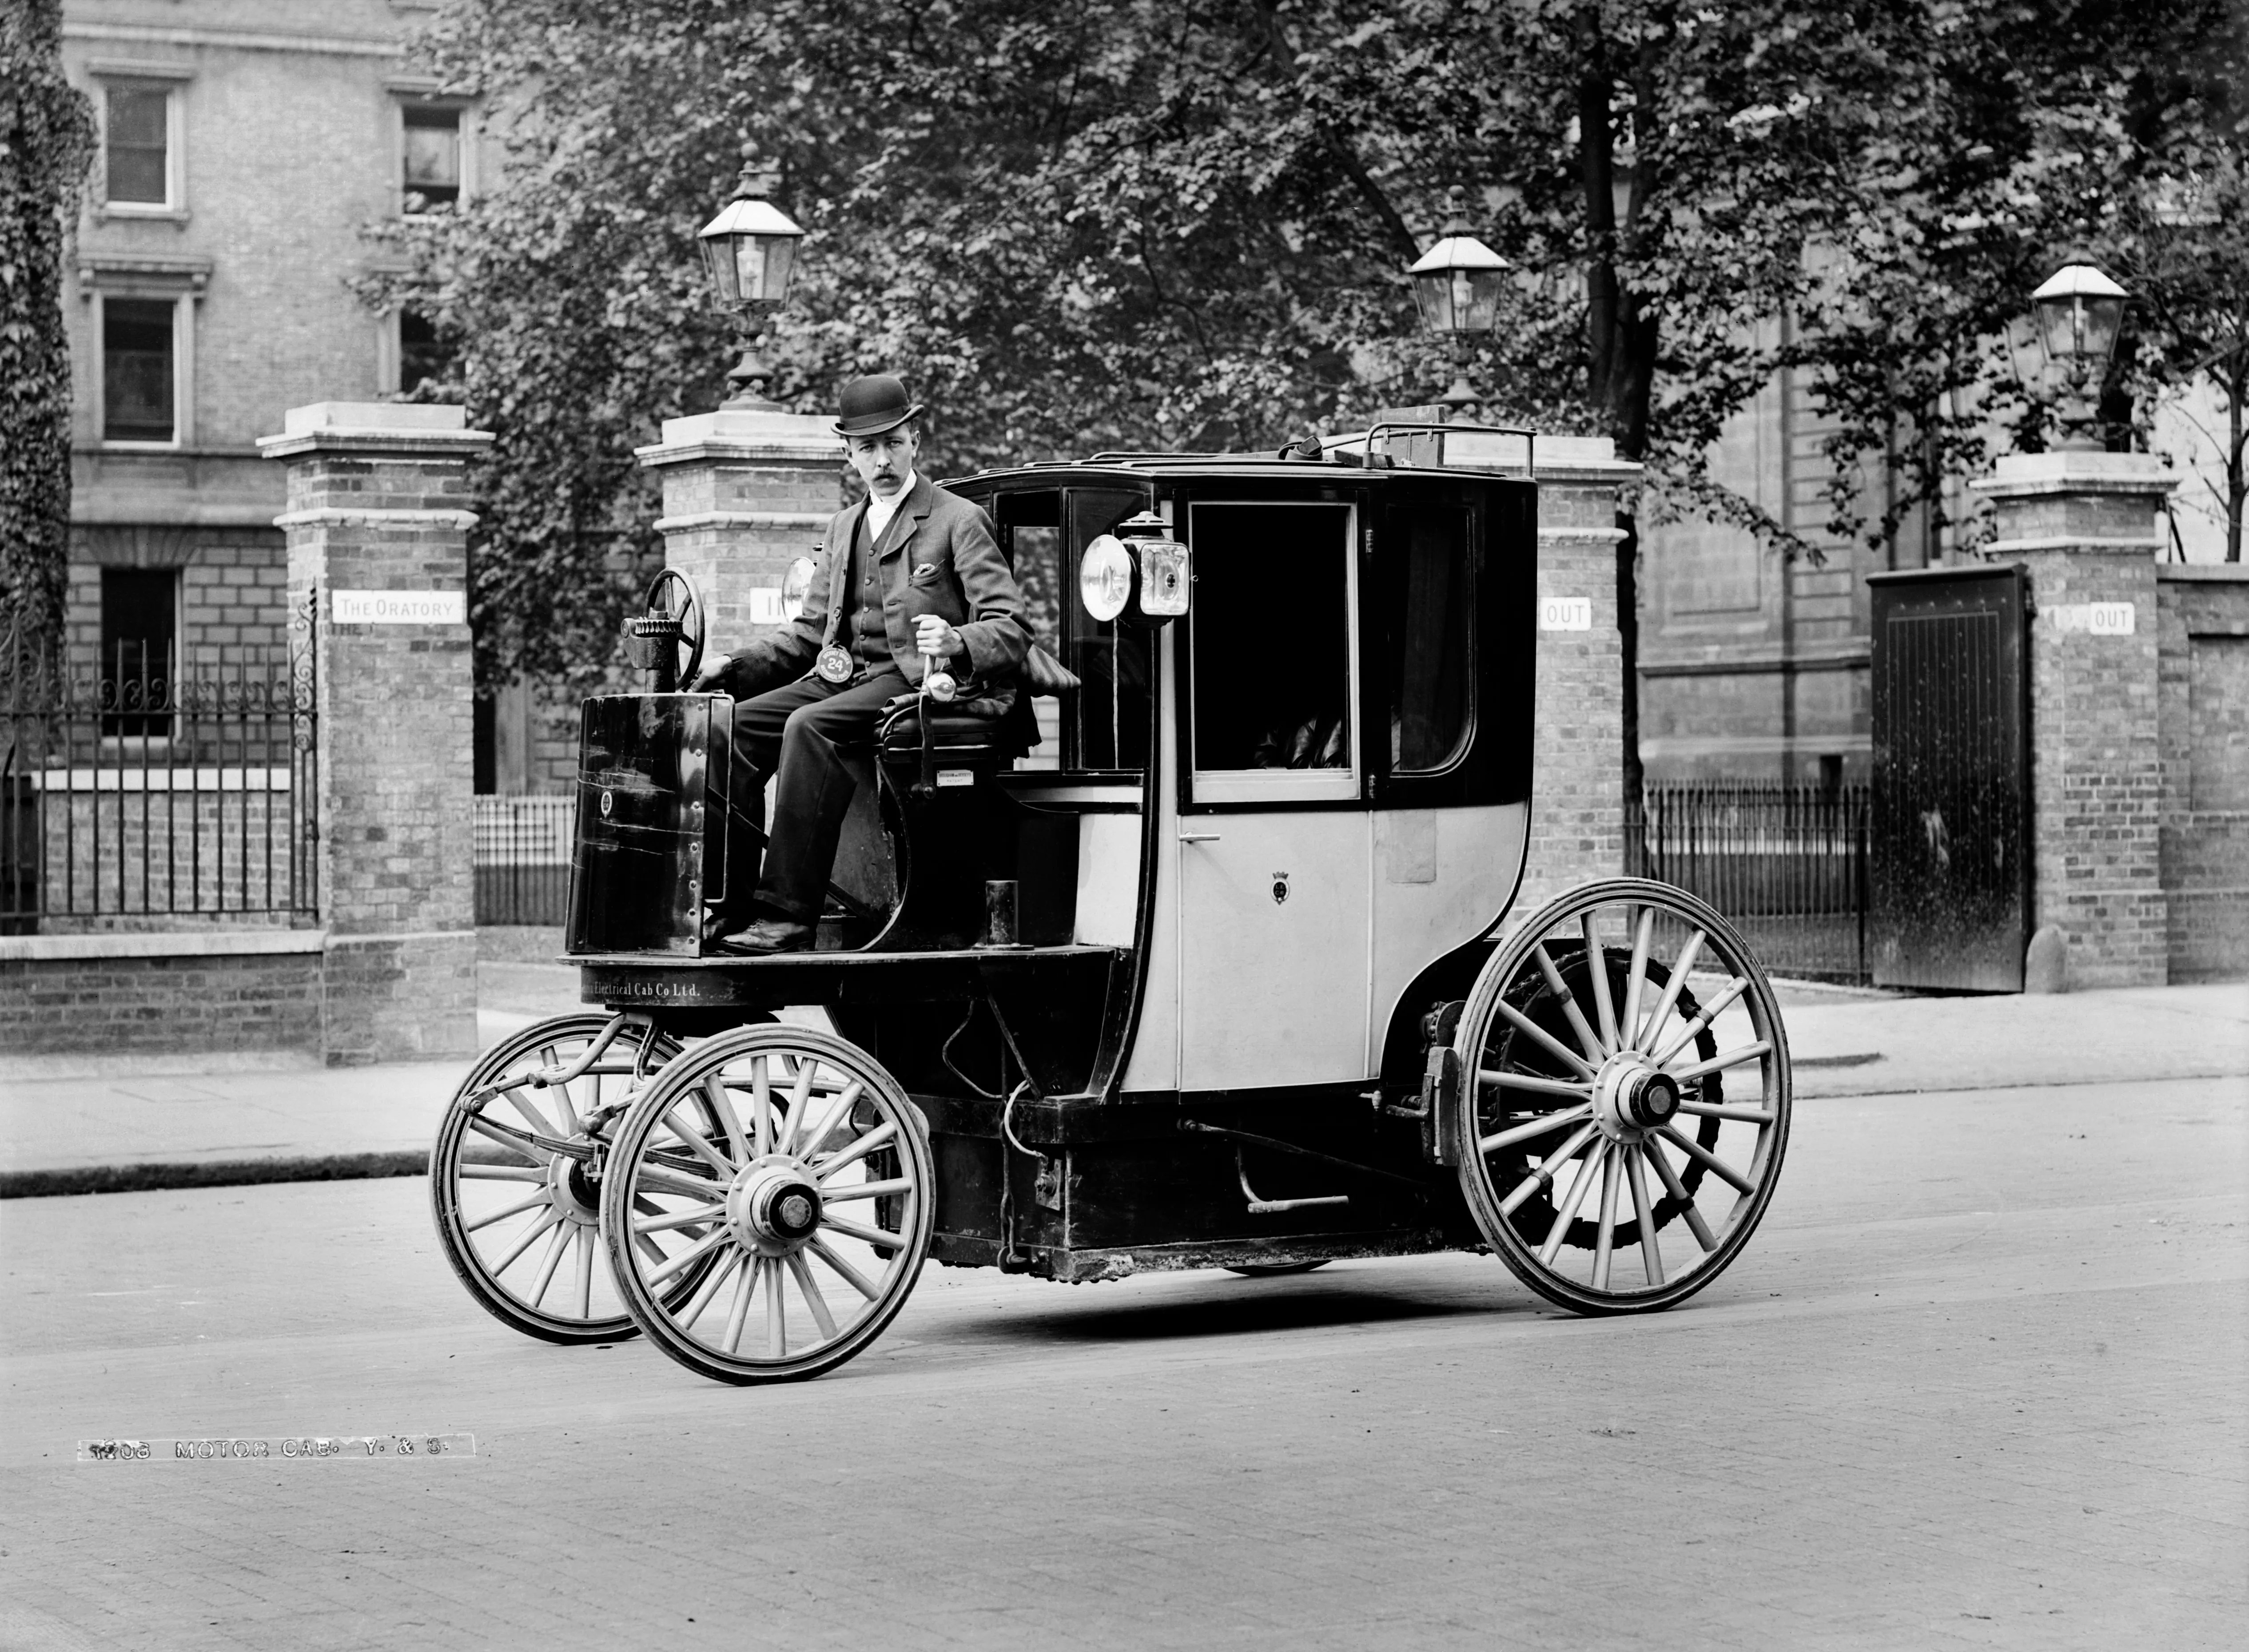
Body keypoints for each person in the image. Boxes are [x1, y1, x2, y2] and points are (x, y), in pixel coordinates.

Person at [690, 374, 1031, 953]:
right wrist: (735, 668)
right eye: (868, 448)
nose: (882, 459)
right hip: (841, 676)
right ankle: (732, 905)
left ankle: (788, 915)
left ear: (915, 442)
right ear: (848, 454)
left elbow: (1012, 627)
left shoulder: (956, 519)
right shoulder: (844, 526)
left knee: (808, 727)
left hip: (911, 681)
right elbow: (806, 637)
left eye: (893, 443)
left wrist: (957, 640)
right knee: (730, 726)